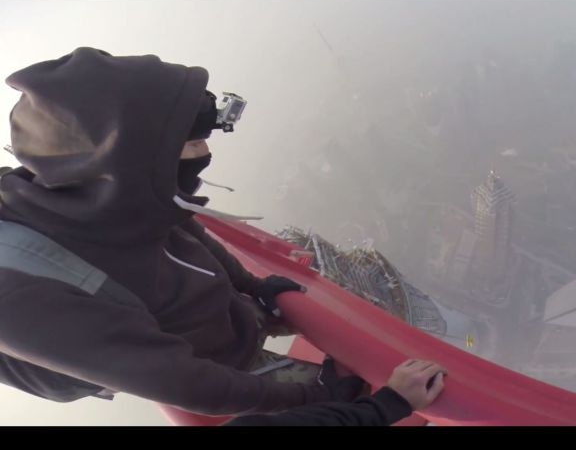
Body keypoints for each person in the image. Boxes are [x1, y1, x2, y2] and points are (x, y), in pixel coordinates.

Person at [0, 47, 446, 425]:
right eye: (191, 143)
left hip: (197, 327)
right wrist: (336, 401)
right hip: (181, 363)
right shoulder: (23, 302)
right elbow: (187, 384)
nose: (206, 153)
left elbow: (178, 224)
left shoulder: (104, 195)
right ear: (126, 160)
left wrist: (254, 289)